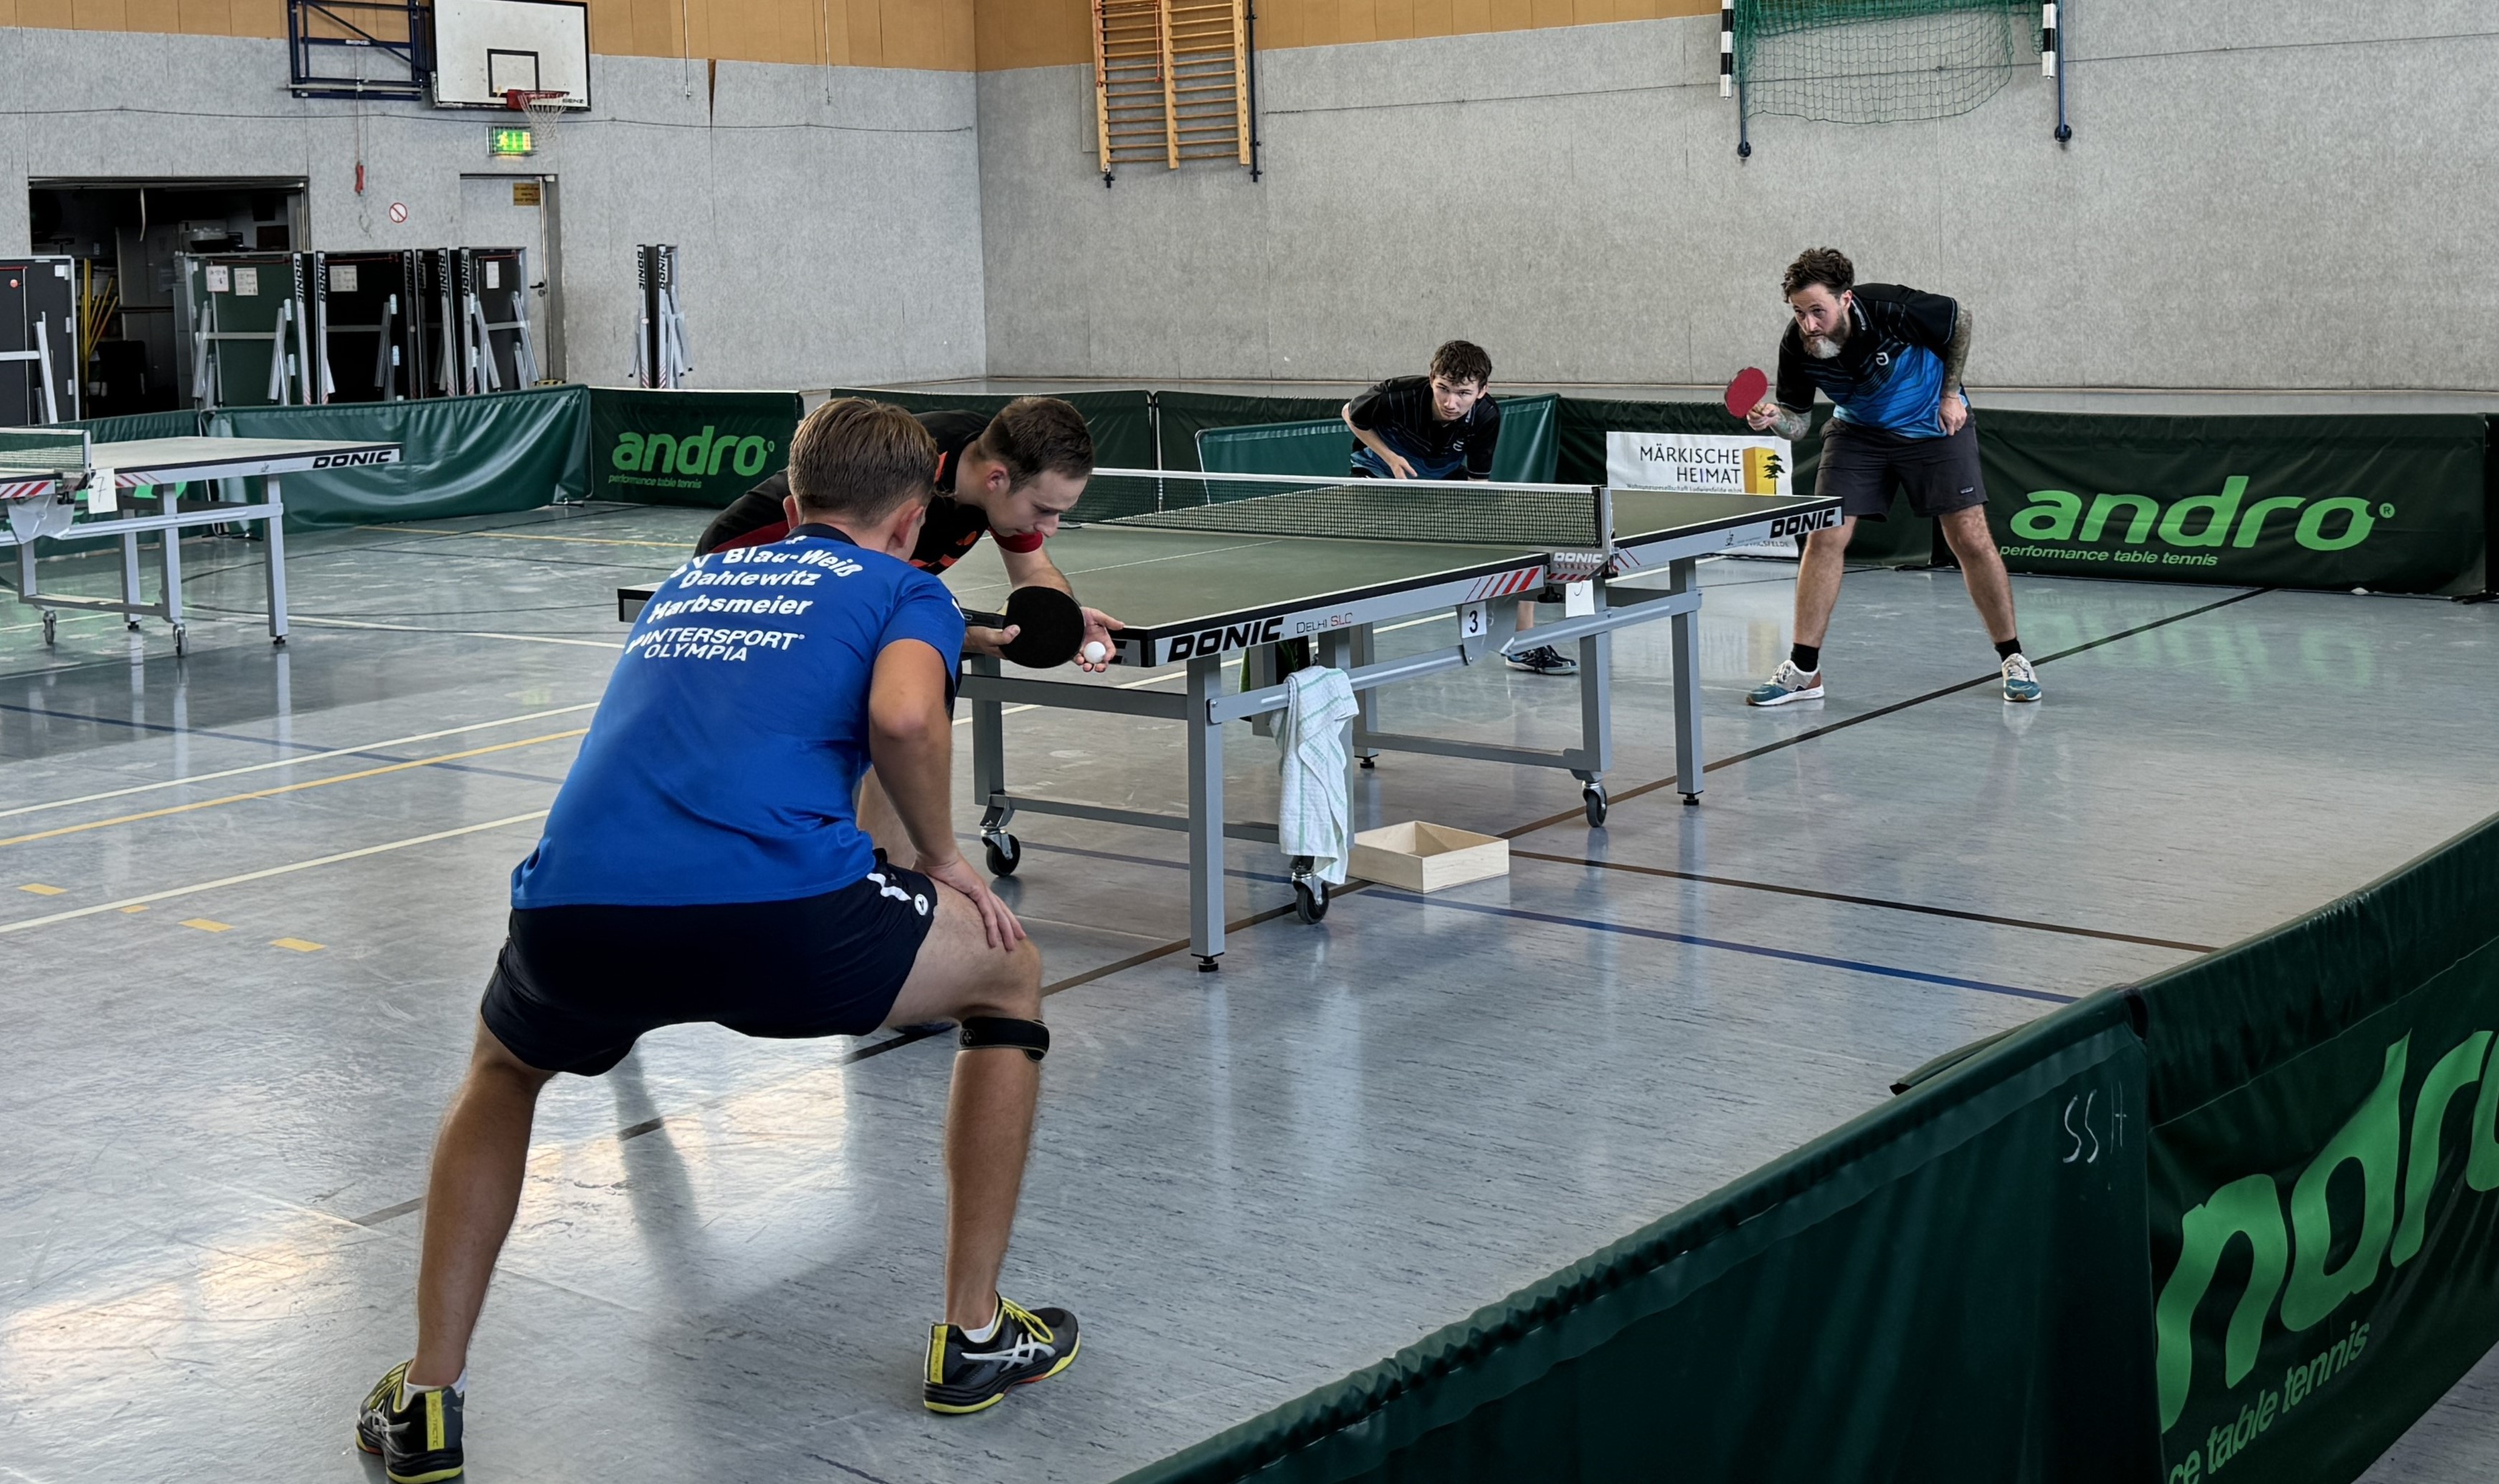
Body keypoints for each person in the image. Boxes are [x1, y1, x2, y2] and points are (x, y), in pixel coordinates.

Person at [356, 399, 1076, 1484]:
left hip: (577, 919)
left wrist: (935, 629)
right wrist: (941, 857)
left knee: (504, 1071)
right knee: (1008, 974)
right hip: (783, 925)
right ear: (914, 514)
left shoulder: (693, 582)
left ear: (792, 506)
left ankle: (426, 1396)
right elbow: (906, 722)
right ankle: (973, 1336)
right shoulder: (908, 587)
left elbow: (786, 655)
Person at [702, 394, 1122, 870]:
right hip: (750, 580)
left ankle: (884, 876)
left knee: (909, 684)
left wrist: (1061, 617)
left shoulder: (993, 466)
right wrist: (958, 636)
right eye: (1044, 509)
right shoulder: (903, 484)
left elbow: (1033, 573)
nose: (1051, 528)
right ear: (996, 479)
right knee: (899, 694)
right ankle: (877, 875)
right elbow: (862, 611)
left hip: (849, 586)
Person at [1742, 248, 2040, 706]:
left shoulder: (1890, 308)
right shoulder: (1796, 346)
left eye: (1817, 311)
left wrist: (1950, 393)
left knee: (1970, 538)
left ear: (1845, 299)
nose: (1808, 324)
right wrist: (1773, 421)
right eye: (1799, 313)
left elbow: (1960, 321)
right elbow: (1798, 424)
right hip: (1858, 432)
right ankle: (1804, 670)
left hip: (1934, 426)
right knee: (1824, 535)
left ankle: (2013, 658)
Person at [1342, 341, 1573, 677]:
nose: (1452, 402)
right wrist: (1390, 458)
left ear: (1482, 391)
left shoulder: (1486, 416)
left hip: (1443, 478)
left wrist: (1496, 518)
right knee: (1361, 561)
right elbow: (1351, 413)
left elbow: (1478, 481)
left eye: (1464, 393)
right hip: (1379, 474)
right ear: (1431, 378)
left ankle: (1523, 645)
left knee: (1521, 541)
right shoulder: (1396, 395)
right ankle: (1336, 652)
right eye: (1443, 389)